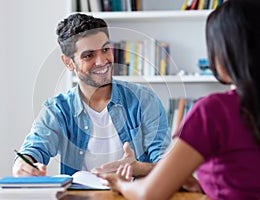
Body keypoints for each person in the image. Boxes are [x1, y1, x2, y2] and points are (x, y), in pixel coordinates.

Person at [97, 0, 260, 199]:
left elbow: (149, 194)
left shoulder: (214, 111)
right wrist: (204, 184)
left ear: (223, 52)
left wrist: (120, 184)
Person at [12, 13, 170, 177]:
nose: (102, 61)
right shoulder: (57, 110)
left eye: (105, 50)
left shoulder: (144, 100)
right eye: (88, 55)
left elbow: (167, 164)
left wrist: (138, 169)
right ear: (68, 62)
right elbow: (35, 147)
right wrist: (23, 164)